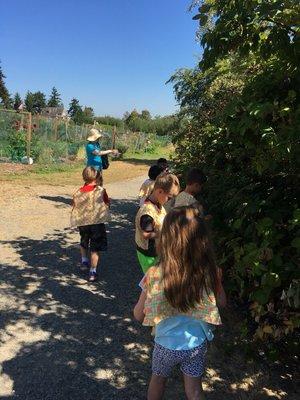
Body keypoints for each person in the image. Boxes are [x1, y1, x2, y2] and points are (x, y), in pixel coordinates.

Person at [134, 206, 226, 400]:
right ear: (202, 241)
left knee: (158, 381)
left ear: (166, 240)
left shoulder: (154, 275)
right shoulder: (211, 272)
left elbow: (139, 314)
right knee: (194, 390)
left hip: (165, 344)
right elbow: (221, 303)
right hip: (195, 344)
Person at [71, 166, 110, 282]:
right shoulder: (100, 191)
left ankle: (84, 261)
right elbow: (107, 203)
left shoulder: (78, 192)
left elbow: (74, 205)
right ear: (97, 178)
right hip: (97, 223)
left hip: (83, 222)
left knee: (84, 240)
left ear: (83, 177)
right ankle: (92, 272)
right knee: (95, 248)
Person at [135, 173, 180, 274]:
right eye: (169, 197)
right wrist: (166, 232)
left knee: (157, 282)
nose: (170, 201)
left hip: (157, 250)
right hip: (148, 254)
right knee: (152, 283)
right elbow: (146, 234)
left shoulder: (158, 204)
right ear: (159, 191)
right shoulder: (147, 212)